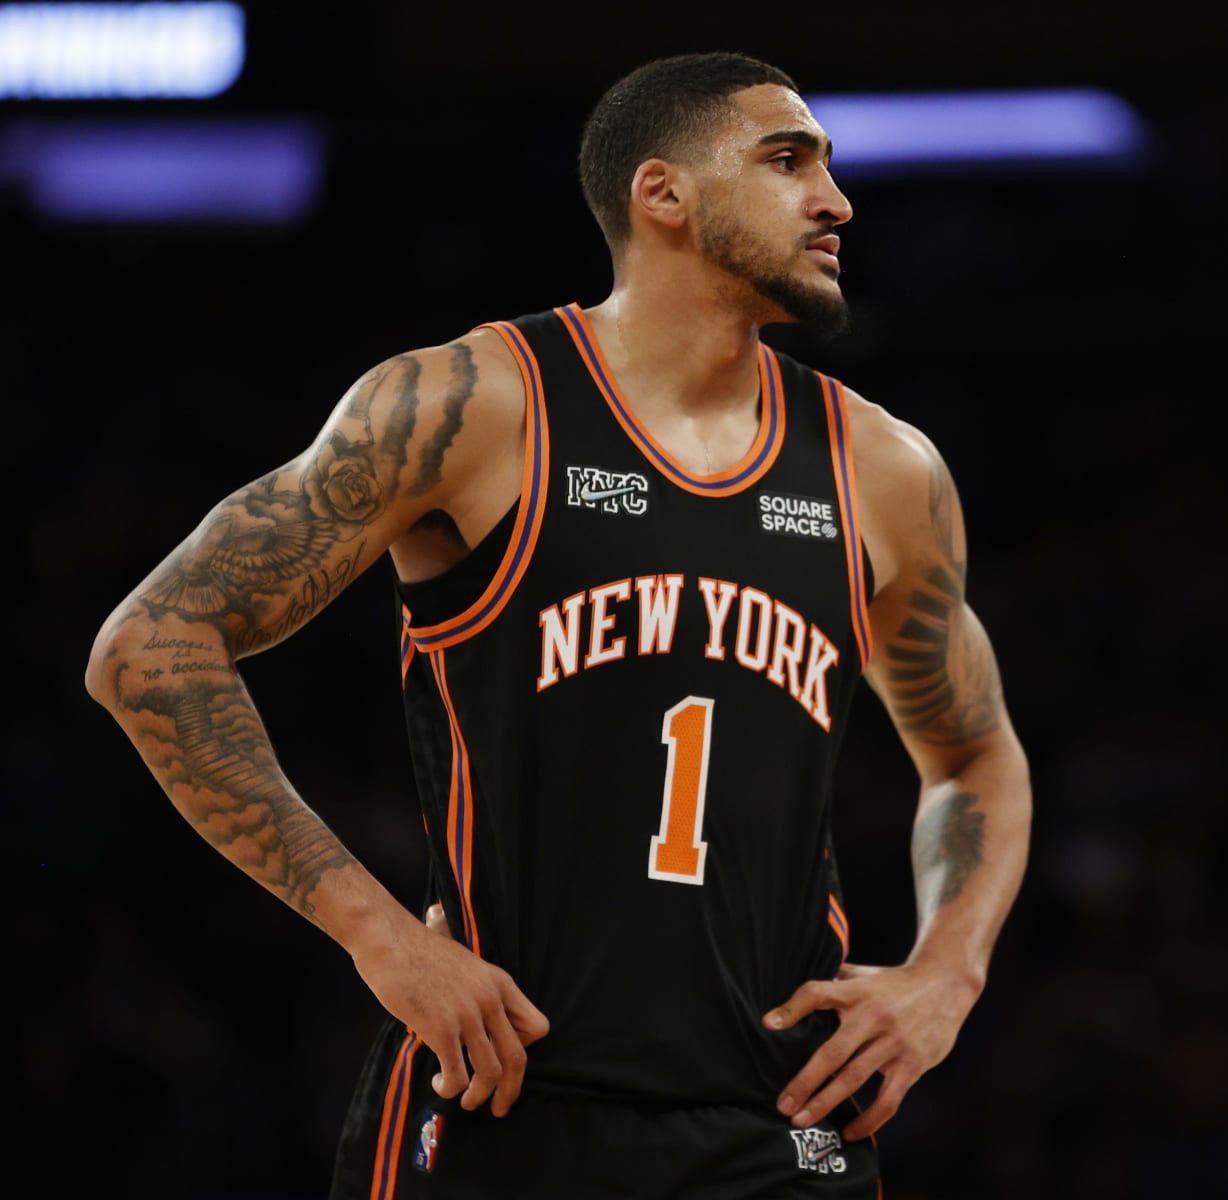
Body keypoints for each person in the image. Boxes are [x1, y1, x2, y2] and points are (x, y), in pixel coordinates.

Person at [84, 51, 1031, 1198]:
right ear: (663, 193)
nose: (835, 199)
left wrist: (948, 976)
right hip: (503, 1096)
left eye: (828, 166)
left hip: (776, 1120)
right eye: (788, 160)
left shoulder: (881, 468)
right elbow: (153, 647)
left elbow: (974, 752)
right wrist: (378, 935)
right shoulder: (471, 405)